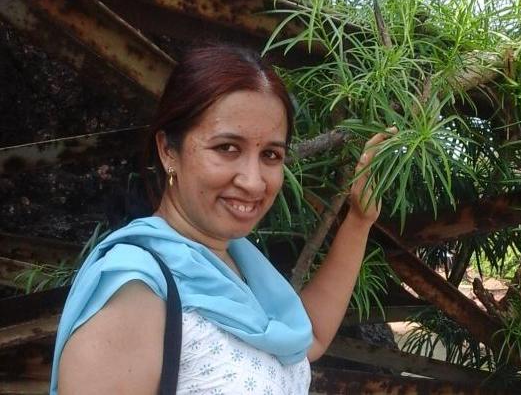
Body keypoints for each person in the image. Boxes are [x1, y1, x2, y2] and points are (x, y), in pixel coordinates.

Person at [51, 45, 393, 394]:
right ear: (168, 150)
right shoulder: (135, 293)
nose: (253, 181)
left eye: (270, 154)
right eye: (227, 148)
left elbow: (309, 338)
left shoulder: (237, 263)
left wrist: (359, 219)